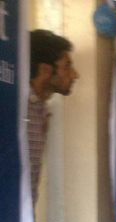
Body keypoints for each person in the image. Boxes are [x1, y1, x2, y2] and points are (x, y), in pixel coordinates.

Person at [28, 29, 79, 205]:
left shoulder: (40, 111)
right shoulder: (16, 111)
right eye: (67, 66)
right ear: (45, 70)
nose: (75, 75)